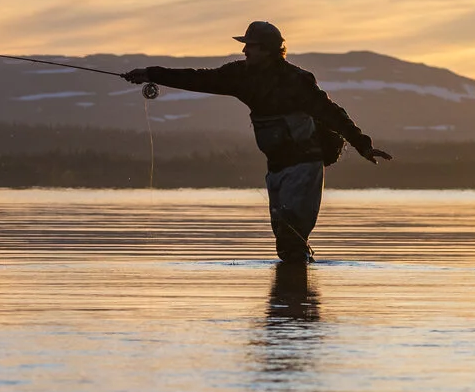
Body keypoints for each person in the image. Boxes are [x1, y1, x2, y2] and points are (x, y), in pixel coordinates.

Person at [123, 22, 391, 263]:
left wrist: (362, 145)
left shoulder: (297, 80)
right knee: (285, 241)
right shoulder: (240, 75)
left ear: (269, 50)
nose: (244, 52)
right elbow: (197, 77)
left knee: (291, 234)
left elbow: (332, 113)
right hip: (276, 168)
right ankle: (292, 302)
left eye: (250, 46)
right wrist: (151, 73)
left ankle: (295, 308)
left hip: (305, 166)